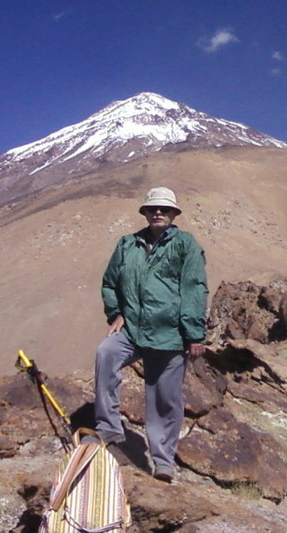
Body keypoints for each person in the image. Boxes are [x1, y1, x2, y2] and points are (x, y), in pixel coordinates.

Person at [91, 187, 208, 483]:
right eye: (153, 208)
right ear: (144, 212)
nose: (159, 213)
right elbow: (110, 282)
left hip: (170, 335)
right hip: (131, 329)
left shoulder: (185, 245)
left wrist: (194, 334)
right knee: (107, 353)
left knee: (164, 399)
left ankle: (163, 461)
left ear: (173, 214)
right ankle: (108, 428)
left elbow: (194, 288)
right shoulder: (127, 244)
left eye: (165, 209)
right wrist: (116, 313)